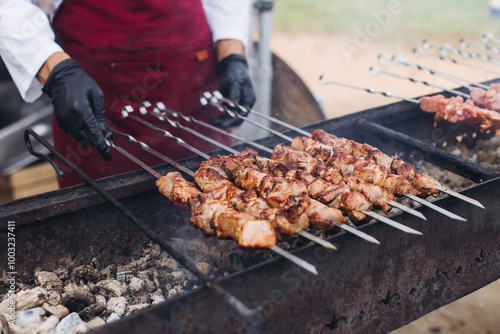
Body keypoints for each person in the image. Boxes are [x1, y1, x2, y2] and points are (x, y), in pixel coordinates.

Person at [0, 0, 256, 187]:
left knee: (216, 211)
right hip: (98, 92)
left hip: (191, 79)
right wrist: (55, 70)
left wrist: (231, 52)